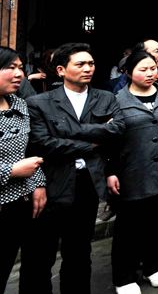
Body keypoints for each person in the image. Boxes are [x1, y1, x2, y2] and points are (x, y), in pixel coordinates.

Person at [23, 42, 126, 294]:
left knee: (79, 251)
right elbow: (43, 143)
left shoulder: (106, 97)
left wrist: (72, 134)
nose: (87, 68)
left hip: (88, 183)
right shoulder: (39, 102)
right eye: (80, 64)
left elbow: (118, 130)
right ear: (61, 70)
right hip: (51, 183)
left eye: (90, 63)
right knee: (40, 254)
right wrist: (94, 143)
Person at [108, 50, 158, 294]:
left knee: (154, 222)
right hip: (130, 173)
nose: (150, 73)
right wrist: (110, 171)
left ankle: (153, 267)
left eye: (152, 68)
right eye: (143, 69)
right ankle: (124, 276)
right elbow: (109, 142)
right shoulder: (116, 100)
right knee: (127, 227)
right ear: (128, 73)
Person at [0, 46, 46, 292]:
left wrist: (38, 182)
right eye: (10, 68)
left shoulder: (19, 103)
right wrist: (11, 171)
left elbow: (29, 151)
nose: (19, 74)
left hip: (22, 203)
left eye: (20, 68)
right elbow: (19, 164)